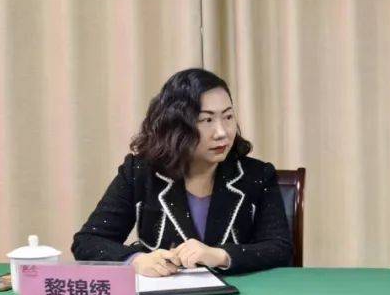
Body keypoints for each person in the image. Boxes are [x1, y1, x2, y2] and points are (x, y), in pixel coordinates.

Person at [72, 68, 292, 276]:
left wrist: (220, 256)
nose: (222, 132)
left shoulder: (257, 175)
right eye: (206, 120)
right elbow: (88, 241)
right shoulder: (140, 173)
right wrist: (136, 260)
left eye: (228, 117)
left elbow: (280, 248)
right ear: (176, 125)